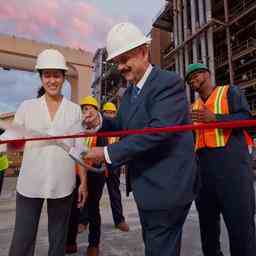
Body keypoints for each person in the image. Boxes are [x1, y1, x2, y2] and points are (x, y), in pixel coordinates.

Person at [82, 22, 198, 256]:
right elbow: (123, 124)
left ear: (144, 52)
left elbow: (158, 131)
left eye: (126, 58)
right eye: (118, 62)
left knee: (160, 248)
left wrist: (106, 154)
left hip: (168, 189)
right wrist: (101, 122)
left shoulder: (168, 83)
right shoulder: (131, 92)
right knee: (156, 246)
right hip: (147, 188)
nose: (122, 67)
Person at [7, 49, 86, 256]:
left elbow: (79, 150)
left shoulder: (74, 110)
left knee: (58, 241)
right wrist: (11, 143)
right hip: (30, 184)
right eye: (47, 75)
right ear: (41, 77)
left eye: (56, 75)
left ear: (63, 77)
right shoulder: (27, 107)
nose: (52, 80)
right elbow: (11, 141)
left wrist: (83, 182)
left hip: (62, 184)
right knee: (22, 241)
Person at [186, 63, 256, 256]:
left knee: (241, 231)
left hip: (233, 172)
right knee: (208, 232)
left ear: (207, 74)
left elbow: (246, 119)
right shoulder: (193, 107)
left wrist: (215, 118)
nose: (193, 80)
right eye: (190, 79)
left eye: (196, 75)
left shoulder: (229, 92)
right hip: (204, 176)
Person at [80, 96, 107, 256]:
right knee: (77, 204)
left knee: (93, 206)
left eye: (91, 108)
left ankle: (94, 244)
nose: (87, 111)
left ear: (97, 111)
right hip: (79, 170)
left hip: (96, 172)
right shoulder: (79, 128)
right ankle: (77, 230)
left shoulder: (102, 129)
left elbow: (102, 154)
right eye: (84, 109)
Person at [102, 102, 129, 232]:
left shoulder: (118, 128)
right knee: (93, 194)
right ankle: (84, 220)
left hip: (113, 164)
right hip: (99, 163)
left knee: (114, 192)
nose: (110, 115)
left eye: (112, 113)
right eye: (107, 112)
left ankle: (119, 220)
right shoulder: (99, 127)